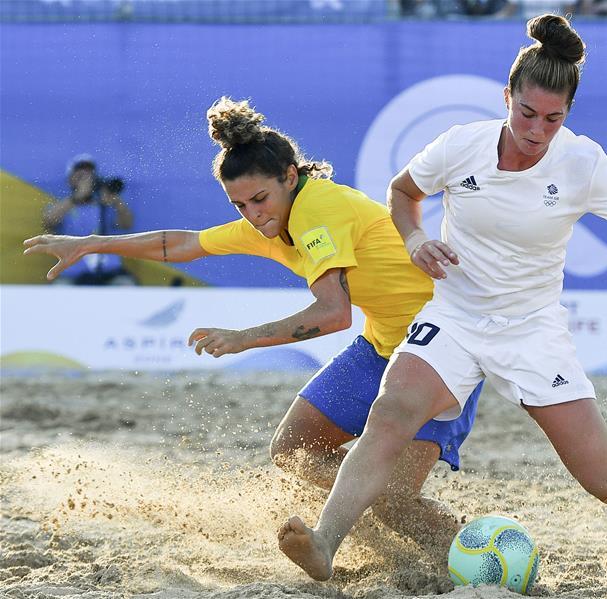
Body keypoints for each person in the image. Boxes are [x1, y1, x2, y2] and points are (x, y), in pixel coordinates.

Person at [277, 14, 607, 582]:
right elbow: (403, 191)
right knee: (390, 414)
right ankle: (325, 544)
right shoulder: (463, 145)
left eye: (553, 118)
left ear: (568, 114)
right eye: (526, 113)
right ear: (507, 97)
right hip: (454, 316)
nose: (536, 130)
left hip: (531, 331)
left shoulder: (583, 161)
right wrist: (417, 237)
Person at [24, 97, 482, 554]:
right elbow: (182, 244)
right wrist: (91, 242)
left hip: (442, 350)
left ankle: (468, 549)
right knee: (295, 451)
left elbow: (332, 314)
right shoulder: (272, 219)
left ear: (290, 175)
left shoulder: (316, 209)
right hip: (382, 346)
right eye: (239, 204)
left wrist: (244, 338)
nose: (253, 214)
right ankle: (372, 520)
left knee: (394, 501)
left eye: (259, 199)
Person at [42, 154, 136, 285]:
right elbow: (49, 221)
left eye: (89, 174)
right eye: (80, 174)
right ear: (70, 179)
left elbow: (127, 224)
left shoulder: (105, 205)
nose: (86, 177)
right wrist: (77, 196)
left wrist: (116, 200)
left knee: (126, 287)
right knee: (60, 290)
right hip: (71, 273)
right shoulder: (63, 204)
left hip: (110, 272)